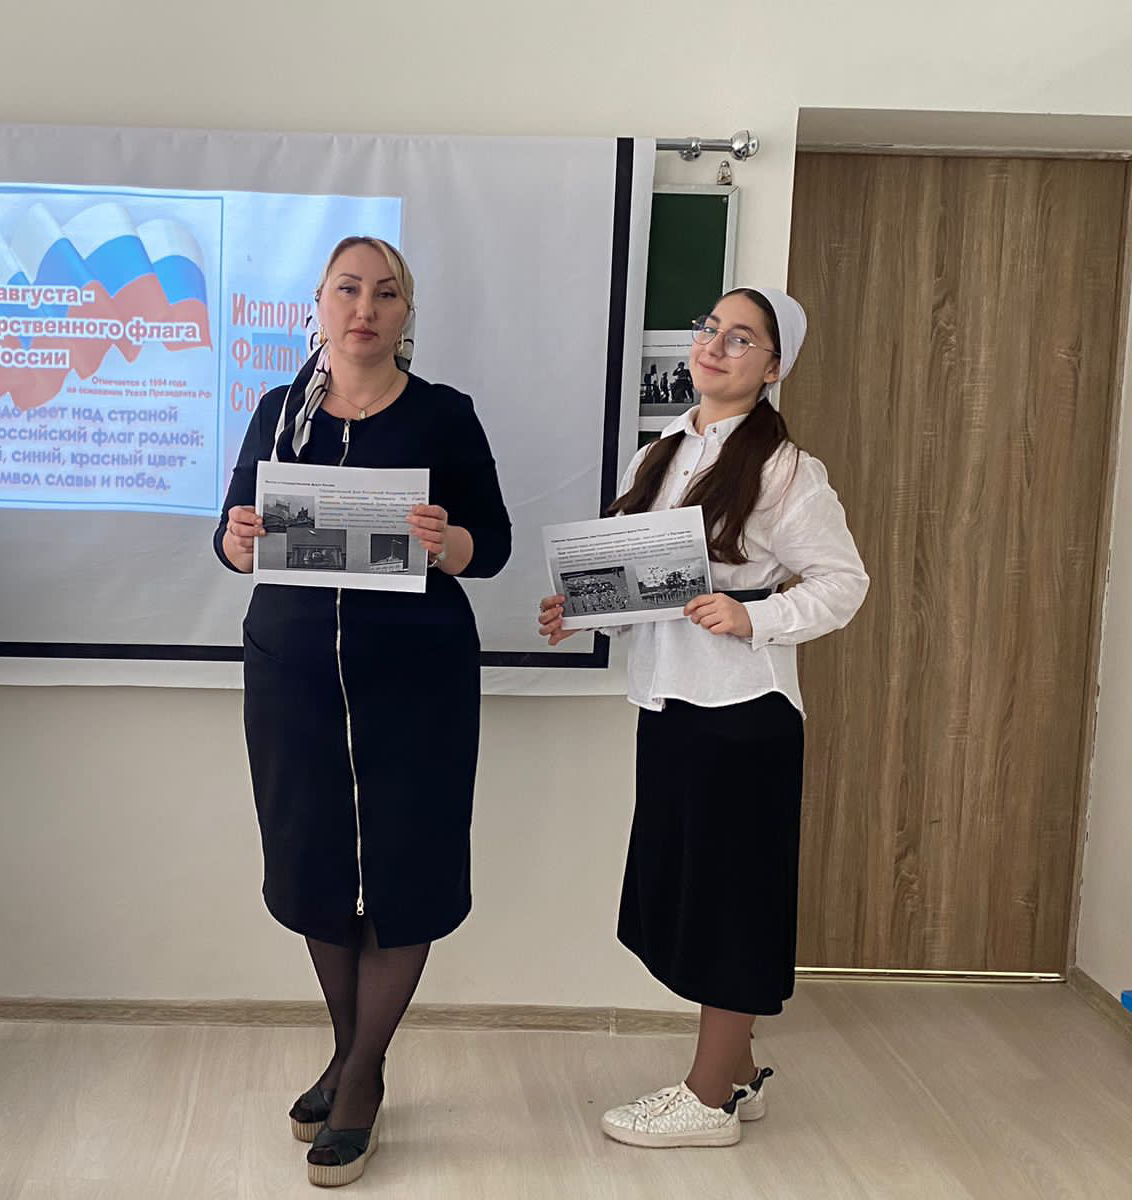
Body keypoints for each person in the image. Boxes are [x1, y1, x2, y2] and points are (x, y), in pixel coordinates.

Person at [538, 287, 868, 1149]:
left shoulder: (788, 471)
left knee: (731, 903)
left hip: (743, 716)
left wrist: (754, 616)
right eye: (710, 329)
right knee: (689, 892)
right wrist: (584, 610)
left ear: (774, 366)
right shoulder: (660, 454)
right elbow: (640, 582)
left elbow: (844, 583)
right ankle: (740, 1072)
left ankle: (709, 1098)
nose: (716, 346)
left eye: (742, 338)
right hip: (670, 703)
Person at [216, 237, 511, 1186]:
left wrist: (447, 540)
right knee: (314, 862)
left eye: (386, 294)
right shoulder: (278, 412)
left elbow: (494, 545)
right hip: (294, 679)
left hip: (416, 683)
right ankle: (354, 1058)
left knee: (406, 867)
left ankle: (361, 1076)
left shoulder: (444, 415)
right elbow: (230, 539)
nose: (365, 309)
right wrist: (237, 539)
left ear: (405, 313)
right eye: (348, 290)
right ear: (319, 302)